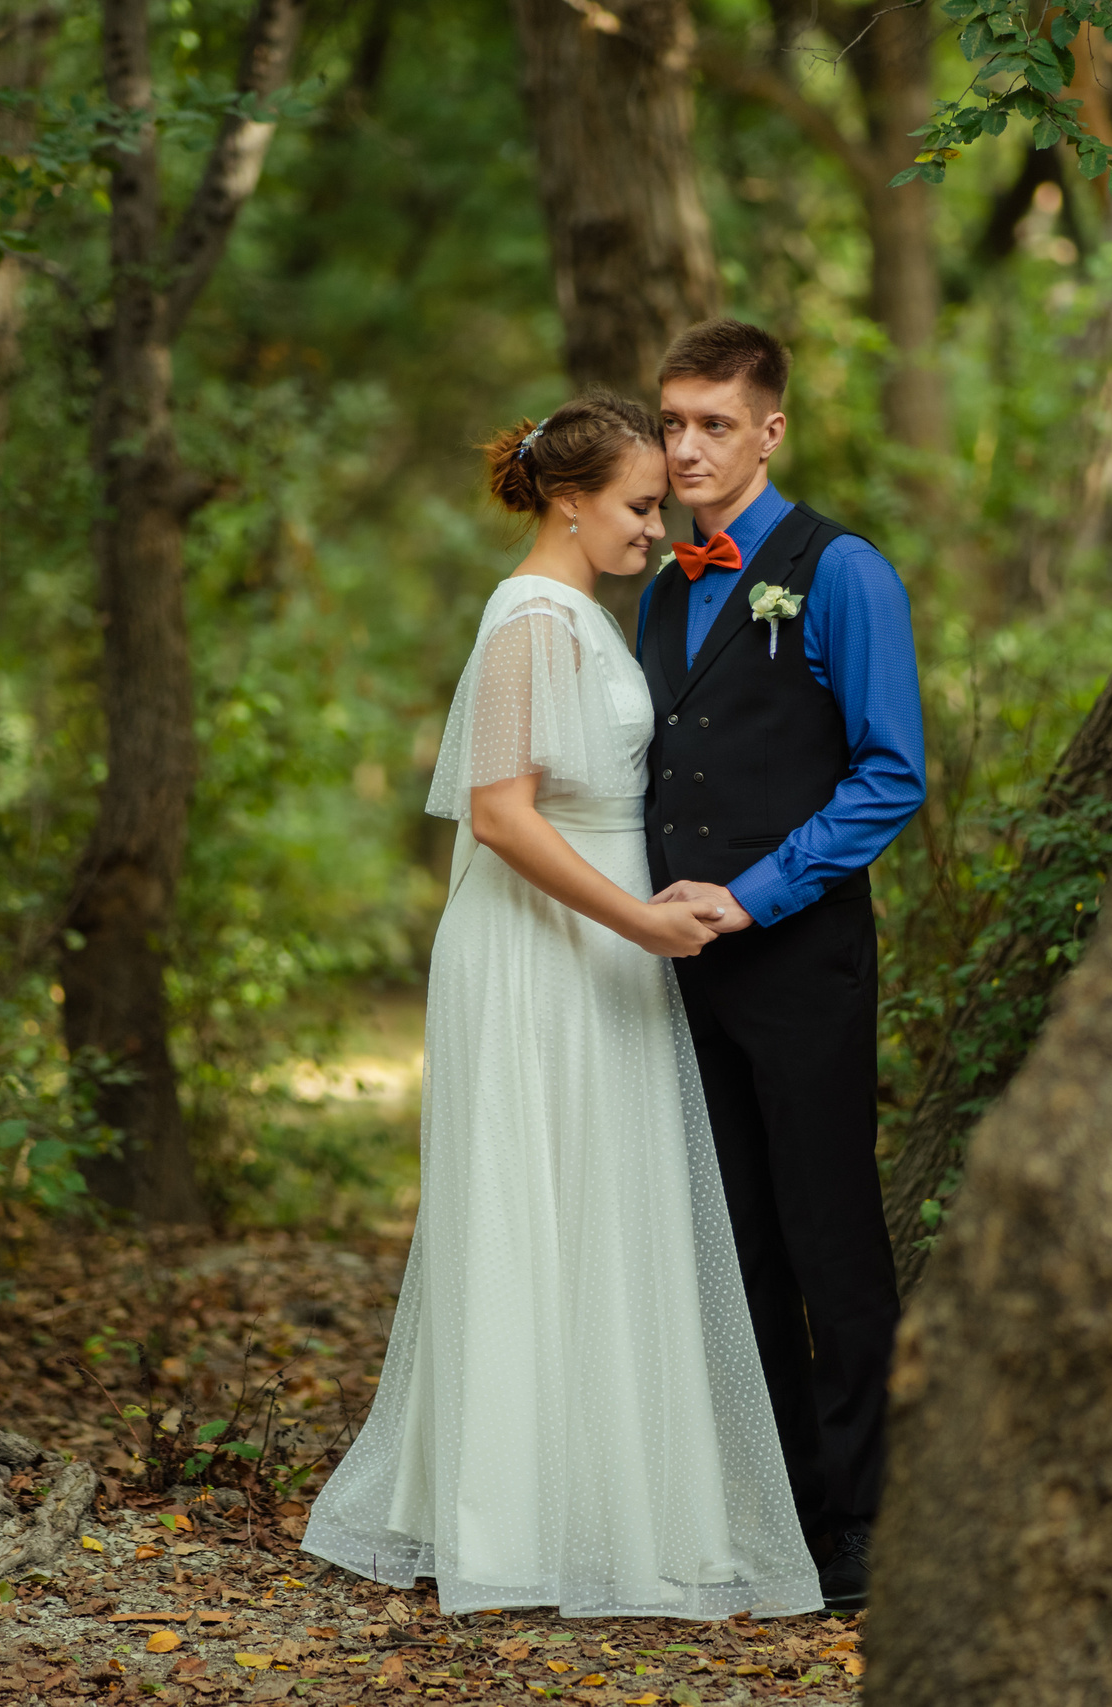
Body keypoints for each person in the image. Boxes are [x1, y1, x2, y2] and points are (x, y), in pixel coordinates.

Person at [300, 391, 821, 1621]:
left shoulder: (581, 612)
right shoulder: (531, 618)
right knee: (537, 1202)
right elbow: (499, 813)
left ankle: (602, 1496)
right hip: (542, 951)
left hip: (601, 946)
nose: (657, 527)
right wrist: (635, 919)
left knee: (601, 1206)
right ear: (571, 502)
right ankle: (514, 1519)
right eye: (639, 506)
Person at [638, 320, 927, 1613]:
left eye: (713, 423)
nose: (686, 447)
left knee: (829, 1237)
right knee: (733, 1241)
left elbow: (890, 775)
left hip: (802, 961)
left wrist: (749, 896)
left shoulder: (843, 572)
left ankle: (866, 1519)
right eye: (671, 423)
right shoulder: (661, 586)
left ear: (771, 430)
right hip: (678, 973)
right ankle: (782, 1511)